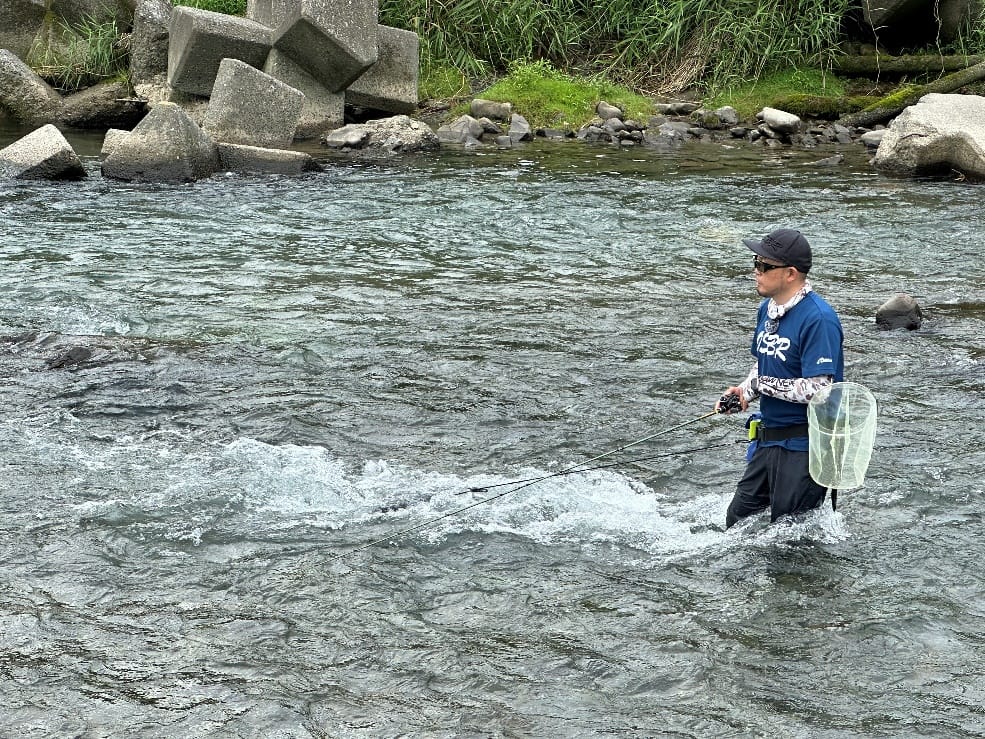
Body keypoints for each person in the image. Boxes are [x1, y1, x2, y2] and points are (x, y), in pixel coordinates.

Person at [717, 228, 844, 528]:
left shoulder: (819, 319)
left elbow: (819, 389)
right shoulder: (767, 310)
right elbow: (762, 364)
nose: (755, 271)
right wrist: (744, 392)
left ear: (790, 274)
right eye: (755, 262)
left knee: (788, 540)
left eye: (764, 266)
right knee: (737, 521)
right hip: (768, 441)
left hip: (804, 449)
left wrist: (763, 386)